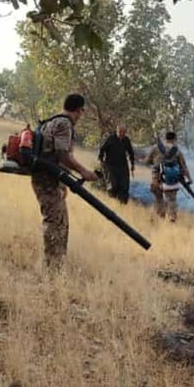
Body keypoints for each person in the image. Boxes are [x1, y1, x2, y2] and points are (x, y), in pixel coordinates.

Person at [31, 94, 98, 271]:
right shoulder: (64, 123)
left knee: (59, 222)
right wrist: (84, 171)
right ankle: (52, 270)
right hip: (47, 180)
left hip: (49, 179)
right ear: (79, 110)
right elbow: (63, 156)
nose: (82, 115)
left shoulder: (51, 121)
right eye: (82, 111)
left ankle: (55, 267)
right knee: (55, 223)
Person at [145, 131, 192, 222]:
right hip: (171, 179)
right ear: (174, 139)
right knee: (171, 200)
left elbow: (147, 161)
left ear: (165, 139)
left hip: (156, 179)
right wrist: (189, 178)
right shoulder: (177, 151)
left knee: (158, 198)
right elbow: (183, 167)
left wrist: (155, 164)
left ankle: (160, 216)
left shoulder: (155, 148)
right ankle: (172, 217)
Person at [98, 125, 136, 204]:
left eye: (124, 132)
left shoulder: (126, 140)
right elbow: (102, 149)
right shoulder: (110, 139)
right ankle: (112, 202)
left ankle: (122, 204)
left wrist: (132, 164)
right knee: (113, 185)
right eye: (120, 132)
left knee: (124, 185)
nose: (122, 134)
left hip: (122, 166)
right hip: (110, 165)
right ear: (117, 131)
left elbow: (131, 152)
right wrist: (101, 161)